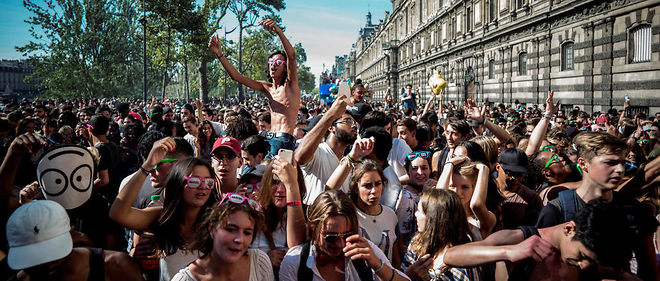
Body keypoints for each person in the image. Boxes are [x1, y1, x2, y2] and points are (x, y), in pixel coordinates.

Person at [443, 200, 638, 281]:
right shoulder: (522, 239)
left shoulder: (591, 259)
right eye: (581, 256)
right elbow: (451, 256)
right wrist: (508, 252)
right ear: (569, 229)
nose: (584, 265)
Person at [110, 139, 220, 280]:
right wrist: (147, 166)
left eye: (208, 182)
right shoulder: (162, 215)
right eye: (194, 181)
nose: (202, 187)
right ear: (179, 180)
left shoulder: (218, 220)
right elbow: (118, 213)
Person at [209, 19, 300, 157]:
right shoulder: (266, 88)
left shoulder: (290, 85)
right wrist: (219, 54)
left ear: (285, 67)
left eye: (278, 62)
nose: (273, 65)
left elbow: (291, 56)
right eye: (271, 61)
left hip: (284, 142)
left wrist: (278, 31)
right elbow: (237, 77)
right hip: (268, 140)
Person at [278, 190, 409, 281]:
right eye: (331, 237)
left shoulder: (365, 252)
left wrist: (378, 266)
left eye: (347, 235)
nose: (340, 244)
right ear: (313, 226)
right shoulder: (295, 262)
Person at [6, 200, 144, 281]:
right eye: (32, 258)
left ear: (72, 234)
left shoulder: (117, 267)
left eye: (50, 253)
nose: (44, 263)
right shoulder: (25, 277)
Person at [171, 193, 274, 281]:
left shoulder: (259, 262)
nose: (239, 239)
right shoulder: (184, 279)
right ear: (212, 229)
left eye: (247, 232)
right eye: (230, 229)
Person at [402, 189, 481, 281]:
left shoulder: (462, 265)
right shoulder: (417, 243)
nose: (416, 214)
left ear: (433, 219)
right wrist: (408, 275)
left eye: (420, 211)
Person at [252, 156, 306, 270]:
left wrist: (291, 185)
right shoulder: (254, 215)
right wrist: (266, 258)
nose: (280, 189)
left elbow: (295, 244)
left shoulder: (307, 214)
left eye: (285, 183)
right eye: (275, 182)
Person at [349, 160, 401, 267]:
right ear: (355, 188)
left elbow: (395, 260)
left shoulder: (390, 215)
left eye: (378, 184)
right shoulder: (349, 216)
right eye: (367, 186)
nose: (374, 190)